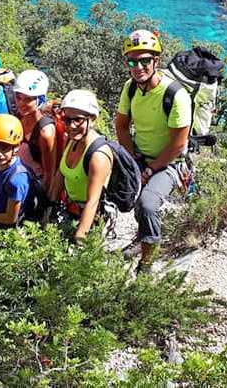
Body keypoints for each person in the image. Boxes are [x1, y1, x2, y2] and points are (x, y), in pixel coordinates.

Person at [114, 30, 191, 272]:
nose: (138, 67)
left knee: (147, 203)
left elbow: (178, 144)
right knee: (124, 194)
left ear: (156, 61)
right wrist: (131, 160)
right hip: (140, 155)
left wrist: (149, 170)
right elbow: (121, 125)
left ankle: (146, 264)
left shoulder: (175, 95)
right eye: (132, 62)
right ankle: (141, 238)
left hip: (170, 162)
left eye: (145, 61)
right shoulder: (130, 88)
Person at [49, 90, 113, 243]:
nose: (71, 125)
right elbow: (60, 175)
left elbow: (93, 202)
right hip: (69, 210)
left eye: (78, 120)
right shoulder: (72, 140)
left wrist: (79, 240)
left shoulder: (98, 155)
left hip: (92, 217)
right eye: (67, 119)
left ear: (92, 120)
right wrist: (49, 210)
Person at [13, 70, 58, 192]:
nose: (21, 103)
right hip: (17, 184)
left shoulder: (45, 132)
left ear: (40, 100)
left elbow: (49, 173)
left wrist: (43, 199)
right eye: (18, 97)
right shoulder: (18, 118)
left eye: (28, 99)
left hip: (33, 189)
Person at [0, 114, 31, 227]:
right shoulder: (3, 165)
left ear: (16, 147)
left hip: (3, 227)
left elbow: (11, 218)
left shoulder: (16, 180)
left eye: (5, 148)